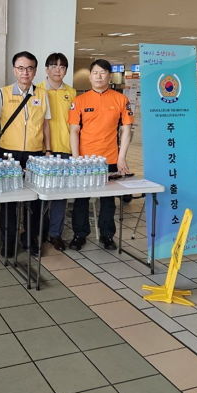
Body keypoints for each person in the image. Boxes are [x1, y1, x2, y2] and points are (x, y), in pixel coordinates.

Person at [68, 59, 133, 251]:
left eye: (103, 72)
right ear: (90, 76)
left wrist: (121, 158)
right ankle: (79, 235)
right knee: (81, 200)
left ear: (109, 76)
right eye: (95, 72)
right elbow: (74, 131)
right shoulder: (79, 101)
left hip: (110, 160)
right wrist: (76, 158)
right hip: (86, 161)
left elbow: (126, 129)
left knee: (108, 201)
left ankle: (107, 235)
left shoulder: (121, 100)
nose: (99, 76)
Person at [0, 51, 51, 257]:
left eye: (29, 68)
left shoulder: (42, 94)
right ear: (14, 70)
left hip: (35, 155)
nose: (25, 72)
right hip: (9, 155)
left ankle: (30, 239)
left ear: (35, 71)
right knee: (9, 201)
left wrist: (48, 150)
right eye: (21, 68)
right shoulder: (3, 93)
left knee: (34, 201)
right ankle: (8, 242)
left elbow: (45, 126)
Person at [36, 52, 76, 251]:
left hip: (65, 151)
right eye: (54, 66)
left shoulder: (72, 93)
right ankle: (38, 232)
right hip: (41, 152)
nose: (57, 70)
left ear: (66, 70)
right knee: (39, 195)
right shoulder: (37, 91)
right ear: (46, 69)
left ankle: (55, 234)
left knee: (60, 196)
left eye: (62, 67)